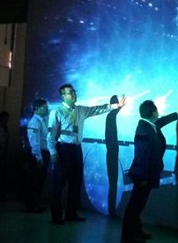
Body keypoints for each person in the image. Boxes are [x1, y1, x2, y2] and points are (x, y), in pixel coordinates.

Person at [47, 84, 126, 225]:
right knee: (58, 185)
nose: (74, 94)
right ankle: (56, 217)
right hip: (63, 150)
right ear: (63, 96)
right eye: (70, 92)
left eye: (74, 92)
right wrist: (53, 152)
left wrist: (116, 106)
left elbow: (97, 109)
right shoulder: (57, 112)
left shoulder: (80, 110)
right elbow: (50, 135)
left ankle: (71, 214)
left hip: (77, 150)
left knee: (75, 184)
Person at [121, 100, 178, 243]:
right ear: (152, 113)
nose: (158, 113)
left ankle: (136, 231)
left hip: (146, 174)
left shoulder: (150, 125)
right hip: (143, 175)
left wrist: (177, 114)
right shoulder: (145, 129)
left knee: (138, 204)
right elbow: (142, 155)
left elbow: (162, 121)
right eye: (156, 110)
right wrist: (143, 177)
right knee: (135, 205)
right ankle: (128, 236)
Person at [25, 99, 50, 213]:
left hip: (43, 153)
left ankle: (36, 204)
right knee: (35, 181)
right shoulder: (35, 122)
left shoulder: (42, 121)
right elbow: (34, 141)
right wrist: (38, 157)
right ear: (37, 109)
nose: (47, 110)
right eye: (45, 108)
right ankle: (32, 205)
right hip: (38, 154)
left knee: (39, 181)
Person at [105, 95, 121, 216]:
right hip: (112, 153)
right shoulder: (111, 116)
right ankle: (112, 210)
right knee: (113, 182)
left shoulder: (110, 116)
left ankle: (112, 210)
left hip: (111, 153)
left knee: (113, 183)